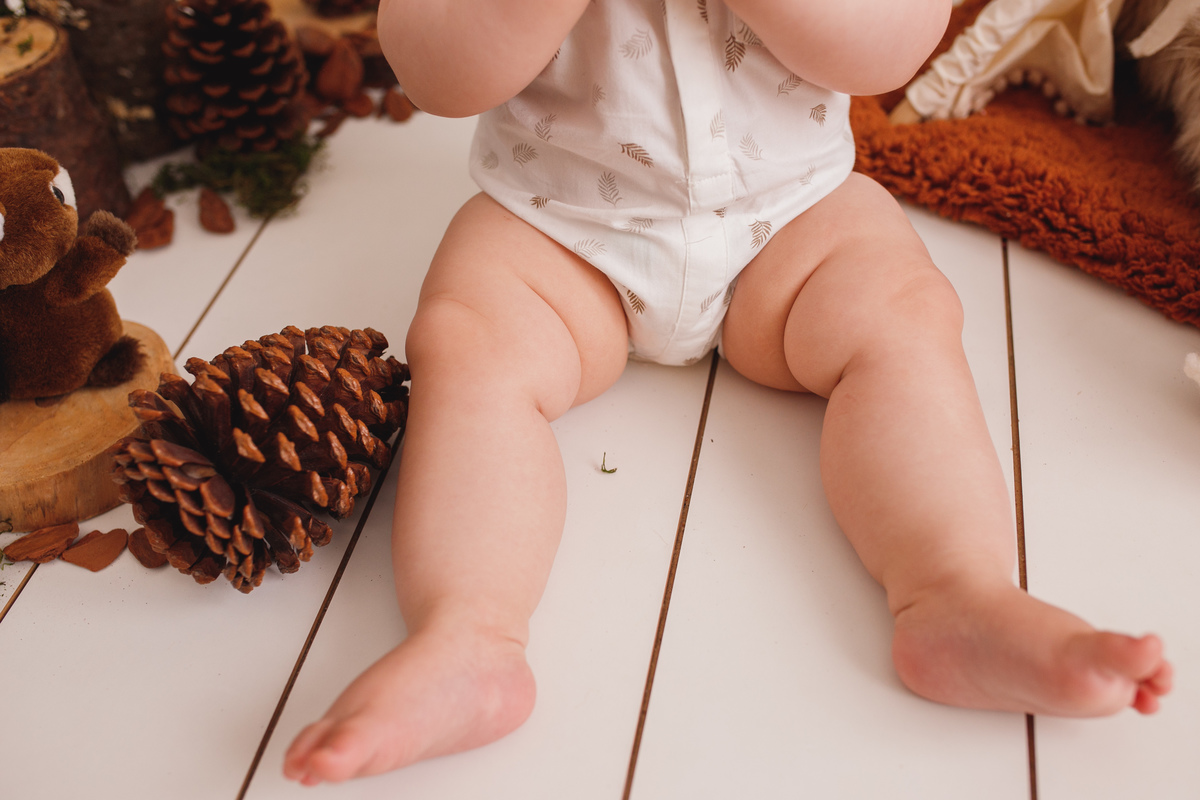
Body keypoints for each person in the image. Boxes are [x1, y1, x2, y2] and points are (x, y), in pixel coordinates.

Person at [283, 0, 1173, 785]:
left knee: (901, 315)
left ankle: (960, 596)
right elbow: (434, 70)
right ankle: (467, 638)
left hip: (792, 218)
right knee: (470, 340)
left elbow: (893, 45)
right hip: (559, 230)